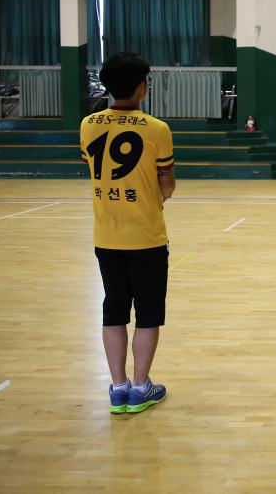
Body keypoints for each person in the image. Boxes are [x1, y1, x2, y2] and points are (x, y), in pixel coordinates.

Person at [81, 51, 175, 414]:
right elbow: (166, 184)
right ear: (142, 87)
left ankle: (117, 388)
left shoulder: (88, 124)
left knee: (113, 310)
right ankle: (140, 388)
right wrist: (157, 195)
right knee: (148, 313)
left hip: (106, 236)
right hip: (146, 236)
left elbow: (93, 168)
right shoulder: (156, 128)